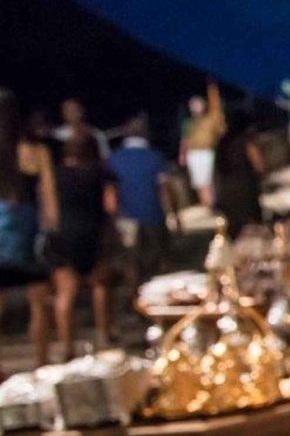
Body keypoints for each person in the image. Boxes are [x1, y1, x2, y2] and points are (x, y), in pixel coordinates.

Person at [0, 91, 59, 368]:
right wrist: (53, 231)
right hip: (27, 228)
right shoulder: (36, 151)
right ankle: (41, 363)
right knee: (39, 300)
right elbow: (49, 197)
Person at [48, 129, 117, 356]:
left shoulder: (57, 175)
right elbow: (111, 205)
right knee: (100, 285)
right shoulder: (102, 173)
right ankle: (104, 336)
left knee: (65, 292)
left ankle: (67, 346)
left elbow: (49, 208)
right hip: (94, 233)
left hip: (64, 234)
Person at [107, 113, 170, 290]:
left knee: (131, 260)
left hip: (125, 217)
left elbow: (110, 194)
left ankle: (132, 297)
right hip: (153, 214)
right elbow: (164, 191)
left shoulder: (113, 160)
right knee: (157, 259)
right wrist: (173, 214)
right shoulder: (155, 157)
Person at [213, 116, 265, 238]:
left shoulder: (221, 144)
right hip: (246, 190)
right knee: (253, 230)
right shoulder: (246, 142)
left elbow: (216, 170)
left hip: (226, 194)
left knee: (234, 231)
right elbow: (259, 165)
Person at [180, 82, 225, 206]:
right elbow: (185, 140)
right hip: (193, 154)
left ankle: (211, 205)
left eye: (197, 103)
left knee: (208, 182)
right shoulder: (188, 122)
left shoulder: (210, 119)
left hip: (206, 152)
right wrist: (183, 155)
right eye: (192, 104)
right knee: (199, 183)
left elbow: (216, 108)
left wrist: (212, 90)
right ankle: (207, 205)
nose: (194, 106)